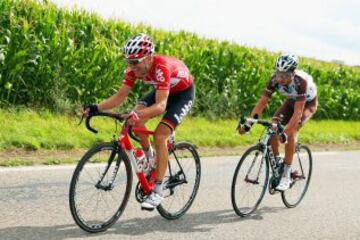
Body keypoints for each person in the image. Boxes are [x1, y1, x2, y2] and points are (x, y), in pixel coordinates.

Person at [81, 33, 195, 210]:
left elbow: (160, 105)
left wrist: (138, 115)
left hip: (182, 94)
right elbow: (119, 97)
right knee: (134, 118)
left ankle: (157, 190)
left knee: (160, 135)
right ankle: (150, 157)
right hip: (162, 90)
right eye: (128, 62)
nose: (131, 66)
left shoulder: (161, 67)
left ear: (149, 58)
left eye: (135, 62)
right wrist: (95, 108)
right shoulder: (133, 70)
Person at [238, 54, 318, 191]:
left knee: (291, 131)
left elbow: (298, 113)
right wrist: (248, 124)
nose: (280, 79)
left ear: (293, 73)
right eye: (278, 74)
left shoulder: (301, 82)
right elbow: (262, 103)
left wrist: (285, 133)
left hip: (307, 104)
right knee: (273, 126)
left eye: (284, 76)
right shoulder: (274, 80)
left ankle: (286, 175)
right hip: (291, 101)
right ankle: (278, 162)